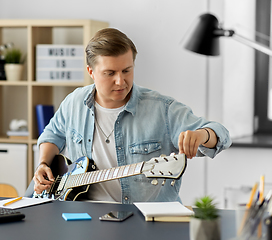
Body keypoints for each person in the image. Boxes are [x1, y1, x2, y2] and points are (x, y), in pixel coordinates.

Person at [31, 28, 231, 204]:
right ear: (91, 71)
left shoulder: (162, 108)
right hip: (81, 214)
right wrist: (42, 164)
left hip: (142, 219)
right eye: (110, 73)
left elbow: (222, 134)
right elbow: (52, 135)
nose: (120, 81)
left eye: (127, 70)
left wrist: (203, 135)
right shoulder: (74, 101)